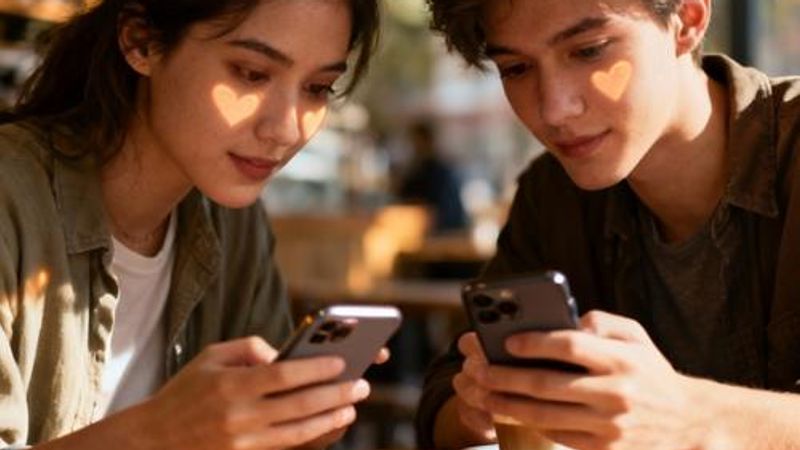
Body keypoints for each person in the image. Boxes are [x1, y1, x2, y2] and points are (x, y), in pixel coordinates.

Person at [416, 0, 800, 449]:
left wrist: (689, 415)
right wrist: (480, 406)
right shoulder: (553, 196)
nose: (554, 109)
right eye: (517, 68)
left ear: (688, 20)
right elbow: (441, 403)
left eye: (589, 50)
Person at [0, 0, 382, 448]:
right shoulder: (13, 198)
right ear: (140, 41)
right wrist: (157, 433)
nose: (286, 129)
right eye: (252, 73)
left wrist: (295, 425)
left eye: (318, 88)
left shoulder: (233, 224)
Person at [397, 120, 468, 233]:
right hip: (436, 230)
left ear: (427, 141)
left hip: (441, 232)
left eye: (416, 141)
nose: (414, 147)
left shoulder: (437, 172)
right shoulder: (419, 169)